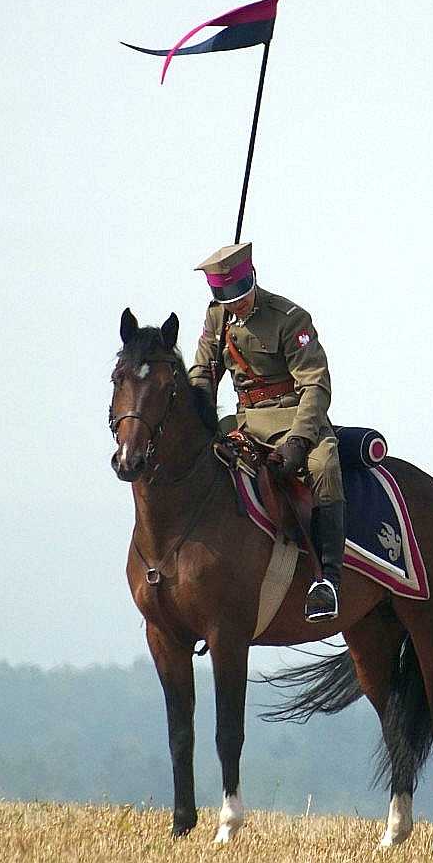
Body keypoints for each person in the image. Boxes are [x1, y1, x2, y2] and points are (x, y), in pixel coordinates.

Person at [186, 242, 346, 623]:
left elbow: (315, 385)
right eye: (227, 297)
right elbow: (202, 372)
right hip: (244, 422)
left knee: (323, 465)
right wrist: (198, 414)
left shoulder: (290, 319)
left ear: (253, 279)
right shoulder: (217, 318)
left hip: (293, 417)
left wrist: (299, 441)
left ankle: (328, 580)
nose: (236, 303)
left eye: (241, 293)